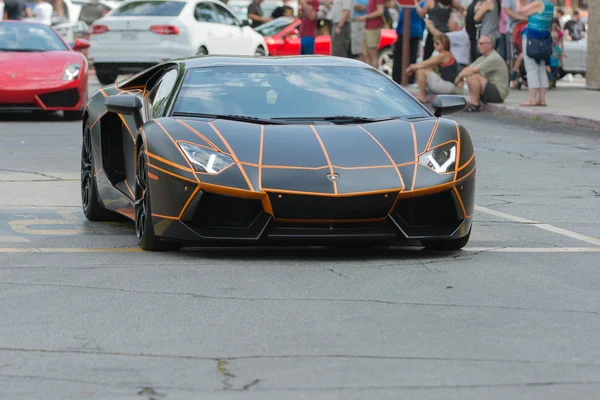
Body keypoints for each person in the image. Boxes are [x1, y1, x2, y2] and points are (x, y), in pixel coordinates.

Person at [454, 35, 509, 111]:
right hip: (488, 91)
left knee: (474, 75)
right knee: (471, 75)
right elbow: (468, 68)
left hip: (498, 94)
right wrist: (462, 76)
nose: (479, 46)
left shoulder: (493, 57)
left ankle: (475, 104)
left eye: (481, 43)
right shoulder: (484, 57)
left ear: (490, 45)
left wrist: (459, 77)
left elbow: (473, 70)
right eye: (478, 43)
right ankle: (473, 102)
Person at [517, 0, 553, 106]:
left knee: (532, 68)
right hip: (544, 40)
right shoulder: (549, 4)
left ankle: (532, 99)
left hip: (532, 39)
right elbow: (529, 13)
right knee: (541, 69)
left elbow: (520, 11)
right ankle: (542, 99)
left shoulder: (538, 3)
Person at [406, 34, 459, 102]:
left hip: (447, 85)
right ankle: (421, 94)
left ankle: (422, 95)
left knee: (420, 71)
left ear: (444, 44)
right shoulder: (442, 55)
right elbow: (427, 65)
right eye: (434, 43)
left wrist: (411, 67)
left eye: (437, 43)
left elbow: (425, 63)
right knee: (423, 69)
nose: (434, 45)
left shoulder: (444, 54)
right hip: (447, 85)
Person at [391, 0, 425, 85]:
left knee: (399, 56)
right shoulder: (423, 3)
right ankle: (410, 78)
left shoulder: (409, 4)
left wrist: (397, 30)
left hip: (404, 32)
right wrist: (421, 32)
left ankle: (397, 78)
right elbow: (423, 19)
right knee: (412, 56)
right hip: (417, 32)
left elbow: (402, 18)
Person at [354, 0, 384, 68]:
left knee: (372, 54)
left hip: (374, 27)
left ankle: (374, 76)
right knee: (365, 53)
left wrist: (365, 17)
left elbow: (380, 11)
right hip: (368, 26)